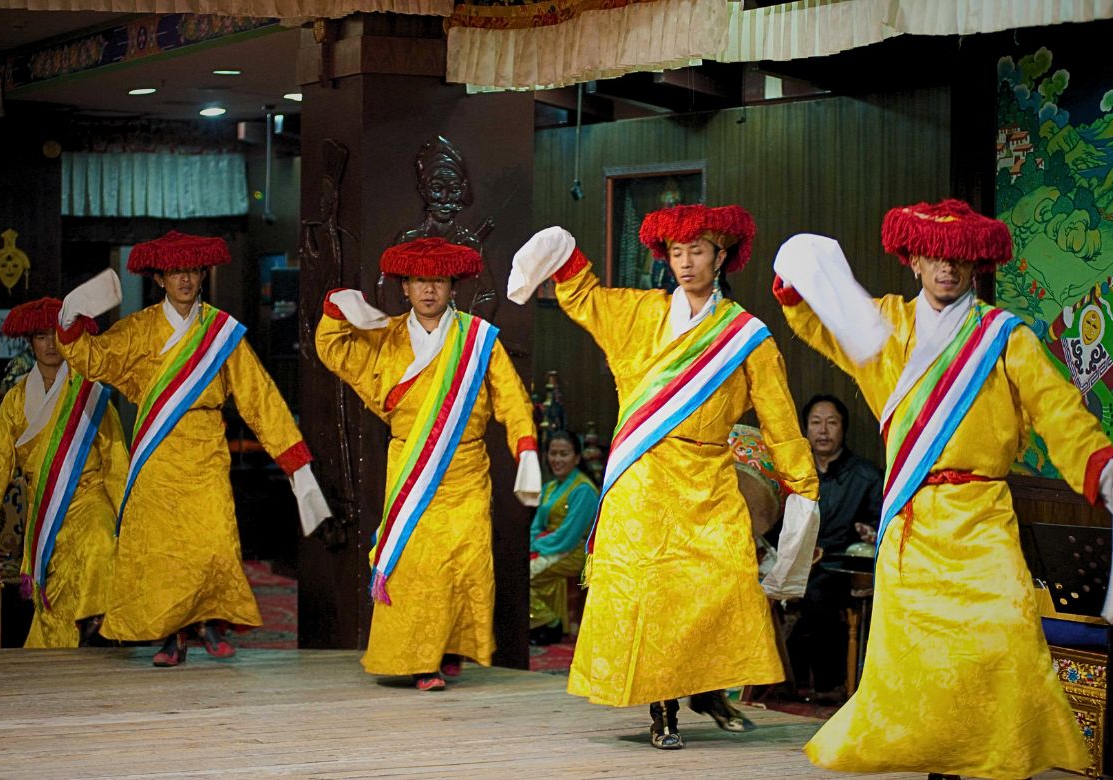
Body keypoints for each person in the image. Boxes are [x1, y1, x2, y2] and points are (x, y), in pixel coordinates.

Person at [773, 198, 1113, 780]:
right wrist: (796, 276)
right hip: (912, 521)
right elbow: (817, 320)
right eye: (935, 257)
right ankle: (940, 769)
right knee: (918, 663)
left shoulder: (1005, 337)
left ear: (977, 266)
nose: (947, 269)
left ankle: (987, 763)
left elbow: (1058, 412)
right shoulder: (884, 327)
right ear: (913, 259)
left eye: (960, 259)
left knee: (1001, 644)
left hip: (983, 516)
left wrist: (1104, 469)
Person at [508, 204, 820, 750]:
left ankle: (707, 688)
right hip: (644, 479)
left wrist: (800, 486)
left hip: (709, 476)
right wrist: (557, 250)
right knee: (652, 594)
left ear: (721, 256)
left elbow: (780, 419)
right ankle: (663, 707)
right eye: (676, 253)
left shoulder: (748, 335)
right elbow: (584, 297)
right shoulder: (638, 314)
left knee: (723, 585)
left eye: (697, 251)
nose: (685, 263)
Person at [55, 231, 329, 667]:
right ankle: (172, 634)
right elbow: (95, 359)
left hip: (205, 452)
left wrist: (294, 462)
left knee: (213, 541)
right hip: (157, 455)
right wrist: (70, 326)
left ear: (203, 274)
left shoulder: (222, 333)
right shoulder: (140, 328)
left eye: (193, 270)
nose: (185, 279)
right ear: (160, 278)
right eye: (175, 271)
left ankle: (207, 622)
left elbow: (259, 398)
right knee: (162, 550)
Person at [314, 236, 539, 691]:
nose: (429, 290)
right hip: (412, 465)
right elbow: (335, 350)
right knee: (416, 566)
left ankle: (449, 646)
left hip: (467, 467)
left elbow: (512, 399)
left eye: (438, 280)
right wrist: (337, 306)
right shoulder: (387, 335)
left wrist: (527, 449)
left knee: (464, 561)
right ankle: (421, 661)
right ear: (405, 288)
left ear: (452, 286)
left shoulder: (478, 339)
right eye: (420, 281)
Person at [0, 298, 125, 648]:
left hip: (89, 496)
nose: (51, 344)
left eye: (57, 335)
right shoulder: (16, 401)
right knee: (53, 590)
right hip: (46, 507)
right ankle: (59, 658)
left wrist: (129, 513)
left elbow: (114, 458)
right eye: (40, 336)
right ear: (29, 342)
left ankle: (97, 622)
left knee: (99, 539)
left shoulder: (90, 393)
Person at [786, 394, 883, 703]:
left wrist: (871, 532)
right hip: (799, 563)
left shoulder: (866, 476)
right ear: (806, 430)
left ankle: (827, 685)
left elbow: (880, 525)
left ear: (844, 428)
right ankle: (781, 678)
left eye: (831, 423)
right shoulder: (795, 475)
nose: (823, 431)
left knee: (817, 592)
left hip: (842, 569)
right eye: (815, 423)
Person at [528, 429, 598, 646]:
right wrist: (532, 543)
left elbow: (569, 536)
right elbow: (536, 525)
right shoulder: (549, 487)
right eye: (553, 453)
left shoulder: (583, 490)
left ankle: (549, 623)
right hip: (550, 546)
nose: (557, 459)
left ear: (577, 458)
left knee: (522, 577)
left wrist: (536, 544)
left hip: (574, 551)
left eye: (564, 454)